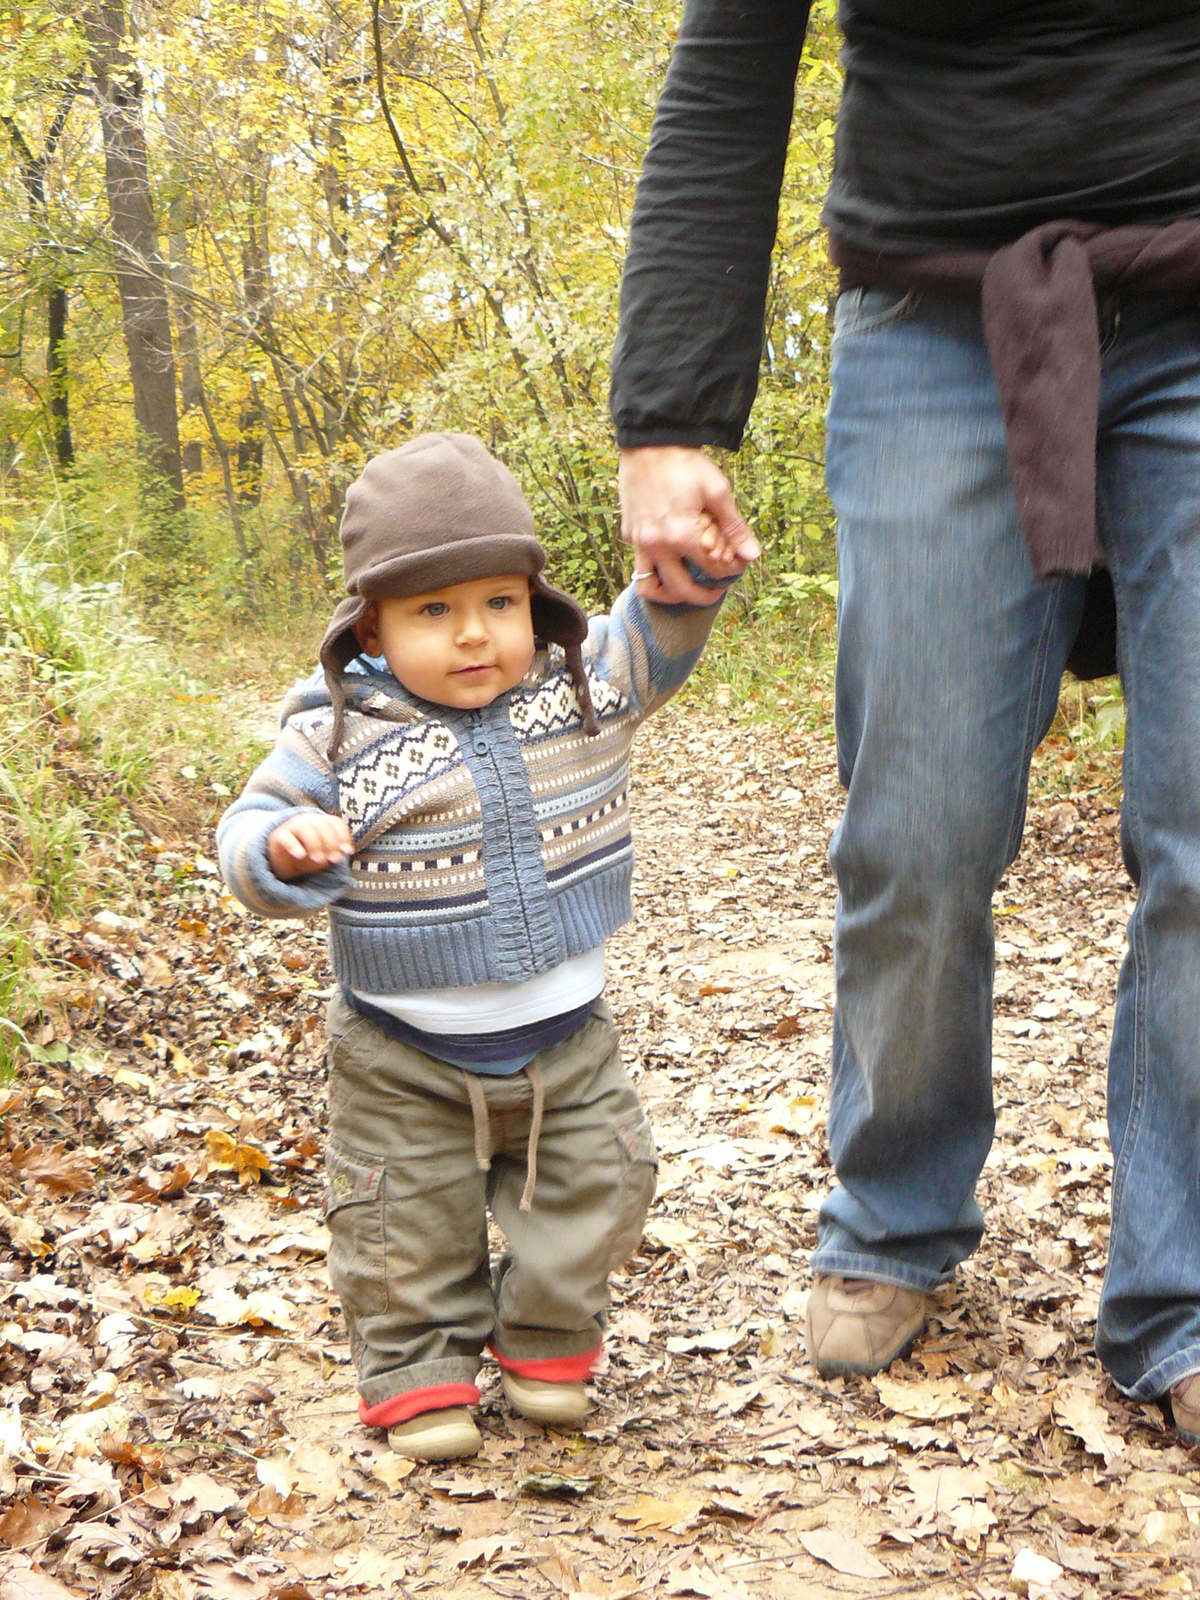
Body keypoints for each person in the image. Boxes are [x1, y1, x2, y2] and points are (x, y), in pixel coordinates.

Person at [611, 0, 1200, 1445]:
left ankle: (1182, 1292)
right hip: (933, 317)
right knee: (919, 829)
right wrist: (669, 418)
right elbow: (729, 74)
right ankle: (894, 1209)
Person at [217, 433, 740, 1460]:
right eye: (433, 612)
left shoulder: (574, 687)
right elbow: (244, 833)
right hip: (401, 1055)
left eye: (499, 603)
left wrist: (690, 580)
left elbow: (654, 636)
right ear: (370, 623)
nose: (474, 637)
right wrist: (283, 845)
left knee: (598, 1189)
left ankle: (546, 1335)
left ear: (532, 604)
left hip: (567, 1044)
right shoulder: (336, 731)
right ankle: (419, 1366)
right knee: (401, 1220)